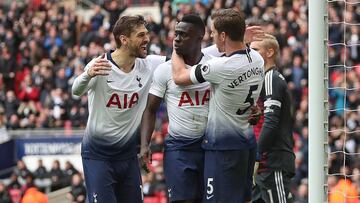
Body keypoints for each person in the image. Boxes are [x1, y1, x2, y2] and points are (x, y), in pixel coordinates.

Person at [140, 14, 264, 203]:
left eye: (183, 35)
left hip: (210, 147)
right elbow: (150, 110)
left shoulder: (214, 63)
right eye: (176, 34)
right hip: (180, 148)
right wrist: (144, 144)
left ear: (200, 38)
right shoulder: (164, 70)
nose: (177, 39)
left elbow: (180, 76)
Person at [72, 15, 166, 203]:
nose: (147, 39)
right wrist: (87, 75)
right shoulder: (100, 65)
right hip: (98, 156)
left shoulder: (150, 64)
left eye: (147, 34)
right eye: (141, 35)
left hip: (128, 156)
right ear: (124, 39)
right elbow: (76, 90)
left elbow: (184, 59)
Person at [250, 34, 295, 203]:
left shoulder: (271, 78)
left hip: (272, 162)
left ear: (269, 52)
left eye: (255, 50)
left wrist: (256, 155)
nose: (251, 54)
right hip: (263, 165)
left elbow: (271, 122)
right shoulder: (262, 79)